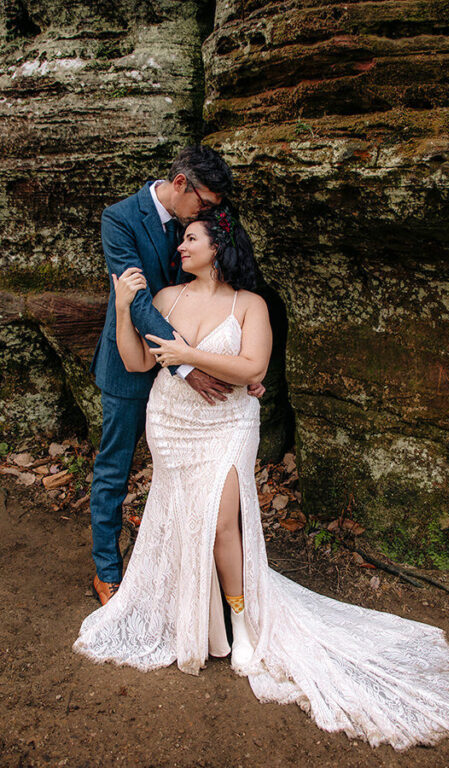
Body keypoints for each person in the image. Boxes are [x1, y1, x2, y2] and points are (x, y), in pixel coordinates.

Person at [74, 207, 449, 748]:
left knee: (223, 520)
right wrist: (127, 309)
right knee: (182, 512)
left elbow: (253, 371)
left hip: (227, 423)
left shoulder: (251, 305)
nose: (180, 247)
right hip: (171, 421)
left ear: (218, 247)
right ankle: (192, 613)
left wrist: (188, 353)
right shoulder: (166, 298)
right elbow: (135, 363)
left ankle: (242, 627)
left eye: (190, 239)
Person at [88, 146, 259, 605]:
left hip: (193, 372)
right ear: (181, 183)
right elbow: (140, 301)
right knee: (114, 469)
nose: (206, 214)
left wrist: (241, 367)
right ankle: (107, 569)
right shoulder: (120, 218)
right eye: (204, 204)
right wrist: (189, 366)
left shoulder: (199, 218)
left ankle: (193, 574)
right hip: (134, 362)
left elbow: (227, 282)